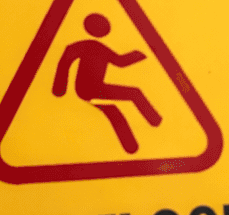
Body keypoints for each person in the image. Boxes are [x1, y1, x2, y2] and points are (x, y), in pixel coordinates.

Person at [52, 12, 162, 154]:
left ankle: (143, 137)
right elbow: (65, 62)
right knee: (132, 95)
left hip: (95, 88)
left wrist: (139, 54)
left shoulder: (99, 48)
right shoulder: (84, 46)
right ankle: (154, 124)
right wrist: (59, 89)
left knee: (116, 108)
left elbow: (120, 61)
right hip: (88, 90)